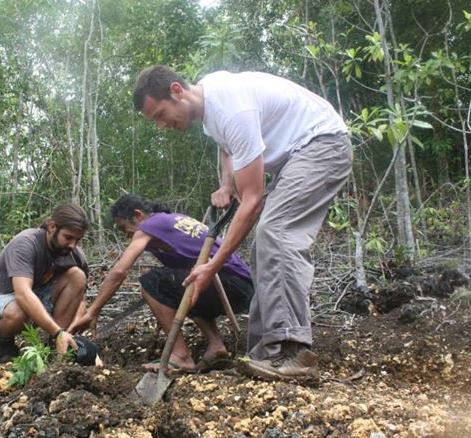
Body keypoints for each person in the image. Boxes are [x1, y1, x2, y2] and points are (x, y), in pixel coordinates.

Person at [133, 66, 352, 380]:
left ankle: (295, 352)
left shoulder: (230, 108)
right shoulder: (210, 107)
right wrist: (226, 183)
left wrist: (212, 265)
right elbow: (228, 147)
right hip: (301, 153)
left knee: (276, 233)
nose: (162, 126)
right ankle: (265, 354)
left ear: (177, 91)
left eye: (159, 115)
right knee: (264, 247)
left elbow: (252, 202)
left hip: (322, 145)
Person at [68, 193, 253, 372]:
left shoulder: (150, 224)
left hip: (230, 283)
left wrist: (93, 311)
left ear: (138, 215)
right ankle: (216, 346)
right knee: (181, 285)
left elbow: (119, 271)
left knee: (152, 282)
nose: (127, 235)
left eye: (125, 228)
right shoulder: (171, 220)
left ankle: (180, 356)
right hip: (241, 286)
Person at [0, 203, 97, 364]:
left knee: (77, 276)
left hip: (37, 299)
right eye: (68, 237)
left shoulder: (74, 254)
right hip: (0, 305)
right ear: (52, 227)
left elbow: (81, 299)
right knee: (19, 309)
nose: (73, 245)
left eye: (78, 240)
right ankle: (5, 344)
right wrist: (58, 332)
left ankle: (55, 347)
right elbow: (23, 294)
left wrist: (72, 331)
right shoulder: (26, 243)